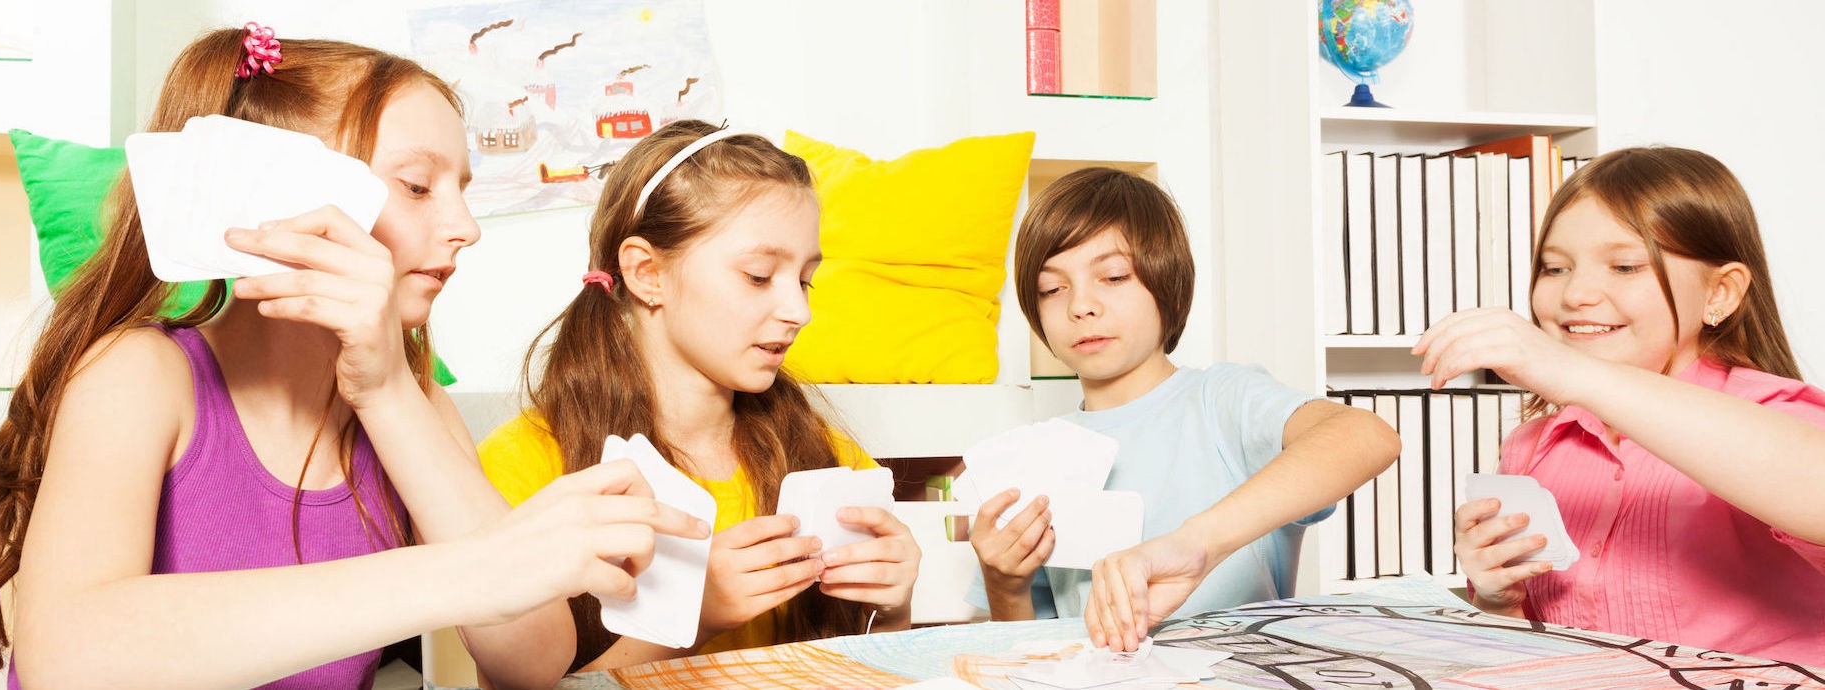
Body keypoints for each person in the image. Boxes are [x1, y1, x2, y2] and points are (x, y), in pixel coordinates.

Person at [0, 25, 708, 689]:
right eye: (417, 186)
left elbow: (527, 662)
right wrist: (470, 571)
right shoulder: (140, 375)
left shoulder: (413, 403)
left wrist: (389, 392)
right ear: (273, 196)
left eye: (463, 189)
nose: (466, 226)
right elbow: (69, 658)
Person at [476, 120, 921, 670]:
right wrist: (694, 618)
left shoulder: (826, 459)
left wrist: (893, 608)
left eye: (805, 280)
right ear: (647, 273)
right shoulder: (525, 465)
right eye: (759, 276)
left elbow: (869, 665)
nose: (800, 312)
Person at [967, 167, 1400, 652]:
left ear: (1166, 282)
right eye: (1052, 289)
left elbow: (1367, 436)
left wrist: (1196, 543)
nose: (1081, 306)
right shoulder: (1037, 453)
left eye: (1112, 277)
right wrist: (1005, 586)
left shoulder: (1223, 401)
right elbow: (1027, 655)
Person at [1421, 146, 1825, 665]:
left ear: (1720, 292)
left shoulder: (1775, 415)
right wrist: (1501, 603)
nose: (1577, 294)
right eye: (1554, 268)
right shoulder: (1533, 447)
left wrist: (1576, 373)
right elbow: (1523, 654)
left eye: (1625, 266)